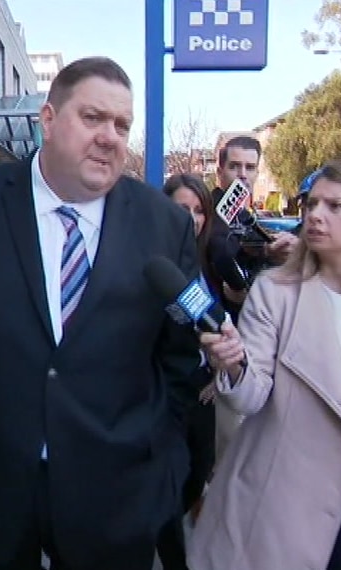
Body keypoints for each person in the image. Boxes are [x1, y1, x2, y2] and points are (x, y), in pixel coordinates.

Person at [0, 57, 203, 570]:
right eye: (93, 117)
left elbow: (179, 356)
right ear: (48, 118)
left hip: (116, 491)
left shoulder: (165, 224)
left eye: (122, 125)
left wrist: (162, 466)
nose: (110, 136)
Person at [191, 159, 341, 570]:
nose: (315, 215)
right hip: (282, 502)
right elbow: (251, 395)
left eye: (335, 207)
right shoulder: (277, 292)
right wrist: (233, 366)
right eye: (312, 204)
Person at [155, 173, 219, 570]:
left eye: (198, 211)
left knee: (199, 475)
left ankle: (149, 520)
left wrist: (217, 365)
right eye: (183, 210)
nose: (192, 219)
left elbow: (214, 320)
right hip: (164, 393)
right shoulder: (154, 262)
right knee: (170, 481)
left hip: (204, 389)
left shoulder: (208, 257)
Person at [209, 136, 297, 318]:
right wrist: (238, 286)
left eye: (249, 167)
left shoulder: (245, 216)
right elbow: (218, 248)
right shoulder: (206, 210)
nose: (242, 174)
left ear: (257, 173)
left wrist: (270, 251)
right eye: (234, 166)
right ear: (220, 172)